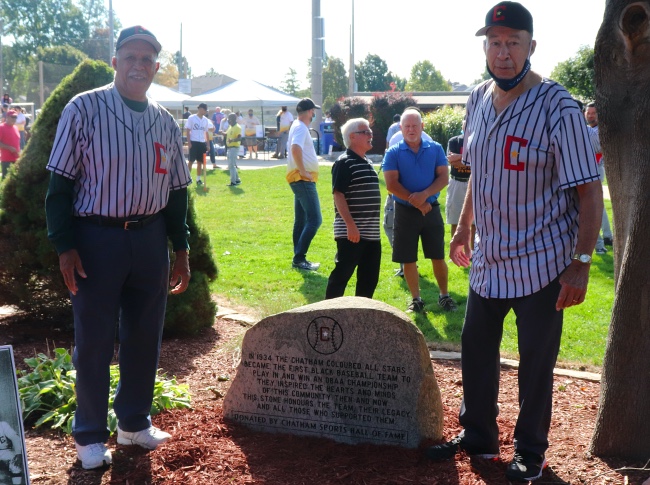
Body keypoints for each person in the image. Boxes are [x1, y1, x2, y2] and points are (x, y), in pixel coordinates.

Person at [424, 4, 603, 482]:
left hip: (542, 261)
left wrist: (581, 262)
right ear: (486, 47)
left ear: (531, 47)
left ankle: (531, 451)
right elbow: (479, 174)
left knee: (534, 364)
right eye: (495, 42)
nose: (503, 53)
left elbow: (589, 191)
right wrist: (464, 227)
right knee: (476, 350)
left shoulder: (559, 106)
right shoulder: (478, 98)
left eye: (512, 43)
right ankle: (479, 435)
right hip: (489, 258)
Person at [44, 25, 192, 471]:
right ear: (115, 61)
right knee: (93, 340)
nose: (139, 65)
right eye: (130, 56)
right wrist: (64, 245)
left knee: (144, 335)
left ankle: (133, 422)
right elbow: (59, 186)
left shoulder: (165, 121)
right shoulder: (83, 108)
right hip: (96, 238)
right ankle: (89, 435)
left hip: (149, 238)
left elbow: (179, 192)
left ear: (156, 68)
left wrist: (180, 249)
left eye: (148, 59)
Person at [382, 108, 457, 313]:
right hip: (405, 212)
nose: (411, 129)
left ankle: (444, 295)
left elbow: (443, 177)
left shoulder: (435, 148)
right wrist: (416, 201)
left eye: (415, 125)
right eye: (407, 126)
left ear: (422, 127)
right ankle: (416, 299)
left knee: (438, 255)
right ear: (401, 128)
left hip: (430, 210)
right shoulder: (393, 152)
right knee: (408, 258)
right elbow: (391, 184)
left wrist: (424, 196)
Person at [325, 118, 381, 299]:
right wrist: (350, 225)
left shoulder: (367, 162)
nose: (370, 135)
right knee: (341, 276)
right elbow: (338, 194)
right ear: (352, 137)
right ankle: (328, 316)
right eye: (365, 132)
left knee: (369, 279)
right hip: (352, 233)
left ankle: (361, 319)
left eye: (370, 131)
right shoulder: (344, 162)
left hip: (371, 234)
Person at [286, 98, 322, 271]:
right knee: (315, 219)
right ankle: (299, 258)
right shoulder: (301, 127)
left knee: (301, 220)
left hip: (299, 179)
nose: (314, 114)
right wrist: (303, 171)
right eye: (313, 111)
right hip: (302, 180)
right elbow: (295, 148)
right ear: (309, 112)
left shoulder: (296, 125)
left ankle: (297, 257)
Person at [584, 102, 612, 254]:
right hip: (591, 168)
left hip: (595, 169)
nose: (590, 115)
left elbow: (596, 146)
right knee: (598, 206)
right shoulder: (587, 129)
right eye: (588, 112)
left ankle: (599, 244)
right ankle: (607, 236)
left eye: (594, 113)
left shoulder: (597, 130)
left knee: (591, 207)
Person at [446, 130, 475, 249]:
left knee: (474, 223)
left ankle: (473, 252)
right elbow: (453, 162)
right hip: (457, 182)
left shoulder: (478, 139)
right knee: (455, 219)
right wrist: (471, 161)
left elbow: (482, 161)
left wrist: (459, 157)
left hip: (473, 184)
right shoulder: (454, 141)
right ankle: (457, 251)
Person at [186, 102, 210, 186]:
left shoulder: (205, 120)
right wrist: (189, 142)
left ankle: (198, 179)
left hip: (202, 142)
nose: (205, 112)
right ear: (200, 109)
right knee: (191, 161)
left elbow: (206, 132)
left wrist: (208, 144)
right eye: (204, 110)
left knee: (200, 161)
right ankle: (187, 178)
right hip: (194, 141)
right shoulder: (192, 118)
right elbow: (188, 130)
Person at [0, 419, 23, 484]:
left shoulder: (2, 425)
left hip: (4, 450)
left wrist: (18, 454)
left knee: (15, 463)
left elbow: (15, 438)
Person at [0, 109, 20, 180]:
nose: (14, 119)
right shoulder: (1, 127)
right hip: (6, 160)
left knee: (15, 181)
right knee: (6, 181)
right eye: (12, 117)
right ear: (7, 117)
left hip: (16, 159)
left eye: (15, 117)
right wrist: (9, 148)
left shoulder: (16, 127)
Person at [225, 113, 242, 186]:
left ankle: (233, 182)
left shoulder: (237, 127)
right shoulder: (230, 126)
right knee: (231, 164)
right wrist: (223, 133)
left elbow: (239, 138)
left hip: (234, 148)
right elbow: (228, 134)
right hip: (229, 148)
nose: (228, 120)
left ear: (233, 119)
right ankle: (237, 180)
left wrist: (232, 140)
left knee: (231, 165)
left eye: (229, 118)